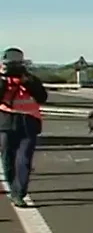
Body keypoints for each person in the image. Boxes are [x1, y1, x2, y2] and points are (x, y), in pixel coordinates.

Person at [0, 47, 48, 207]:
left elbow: (42, 97)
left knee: (24, 158)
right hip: (6, 121)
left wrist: (27, 81)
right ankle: (13, 188)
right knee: (7, 157)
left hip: (29, 121)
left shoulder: (29, 78)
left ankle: (19, 192)